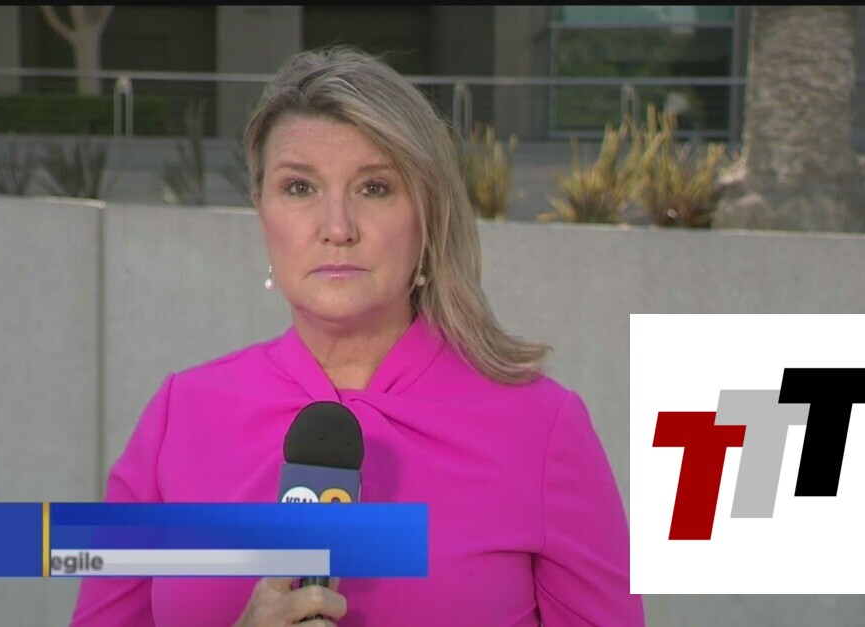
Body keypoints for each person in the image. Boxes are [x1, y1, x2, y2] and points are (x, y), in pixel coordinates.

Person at [71, 46, 644, 626]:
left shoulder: (540, 427)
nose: (338, 228)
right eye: (300, 188)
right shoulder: (181, 414)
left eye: (374, 188)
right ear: (261, 212)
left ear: (427, 216)